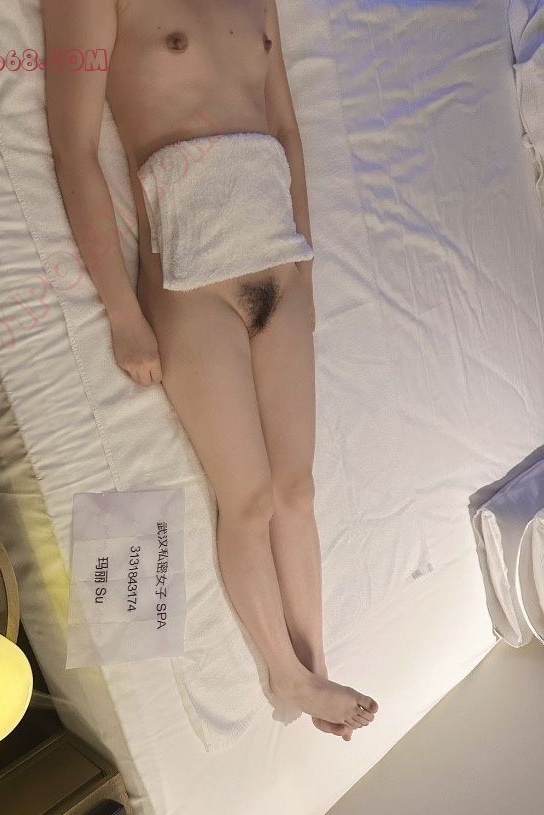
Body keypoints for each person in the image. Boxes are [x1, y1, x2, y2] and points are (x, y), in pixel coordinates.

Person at [42, 0, 378, 740]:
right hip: (191, 279)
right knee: (249, 499)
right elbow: (73, 148)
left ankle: (316, 668)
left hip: (280, 261)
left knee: (297, 490)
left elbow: (285, 128)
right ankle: (285, 673)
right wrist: (123, 312)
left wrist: (309, 268)